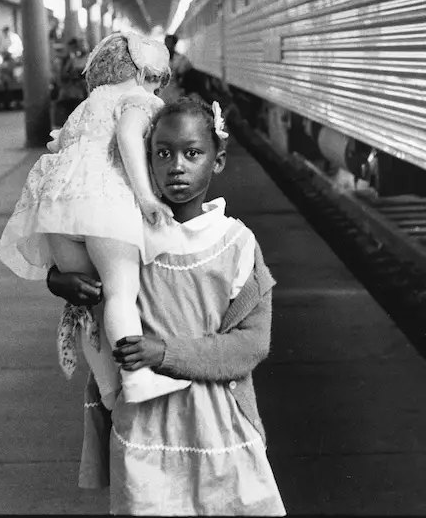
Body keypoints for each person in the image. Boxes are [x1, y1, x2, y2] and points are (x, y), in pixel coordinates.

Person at [47, 95, 285, 515]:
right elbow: (72, 260)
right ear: (146, 160)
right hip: (146, 425)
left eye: (192, 153)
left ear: (218, 160)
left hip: (220, 424)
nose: (176, 165)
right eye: (162, 153)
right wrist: (59, 281)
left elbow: (252, 344)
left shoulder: (236, 244)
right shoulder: (124, 235)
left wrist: (165, 353)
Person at [0, 31, 192, 409]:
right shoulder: (137, 101)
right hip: (104, 203)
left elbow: (58, 148)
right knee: (120, 295)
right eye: (157, 80)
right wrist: (146, 196)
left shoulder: (85, 106)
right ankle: (136, 380)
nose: (158, 91)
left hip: (56, 212)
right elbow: (126, 135)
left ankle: (107, 392)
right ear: (142, 75)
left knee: (88, 307)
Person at [50, 37, 88, 130]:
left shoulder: (76, 59)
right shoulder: (69, 59)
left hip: (76, 93)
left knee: (75, 116)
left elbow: (73, 74)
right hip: (70, 93)